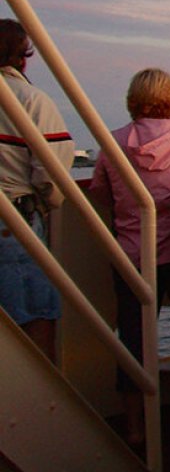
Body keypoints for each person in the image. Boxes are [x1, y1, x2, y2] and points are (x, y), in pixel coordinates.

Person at [89, 68, 170, 445]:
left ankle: (133, 428)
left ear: (133, 99)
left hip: (133, 255)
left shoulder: (112, 144)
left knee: (132, 339)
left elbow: (100, 190)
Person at [0, 19, 73, 363]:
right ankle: (41, 409)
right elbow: (52, 172)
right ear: (23, 58)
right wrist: (50, 202)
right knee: (35, 313)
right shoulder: (30, 99)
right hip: (14, 221)